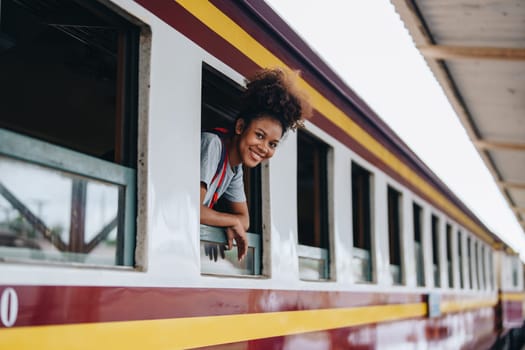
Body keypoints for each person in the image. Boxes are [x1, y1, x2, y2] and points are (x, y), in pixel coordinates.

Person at [200, 67, 312, 261]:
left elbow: (245, 220)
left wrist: (231, 221)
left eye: (272, 144)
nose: (264, 148)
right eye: (259, 135)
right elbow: (192, 209)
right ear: (240, 127)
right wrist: (230, 221)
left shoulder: (234, 169)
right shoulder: (213, 145)